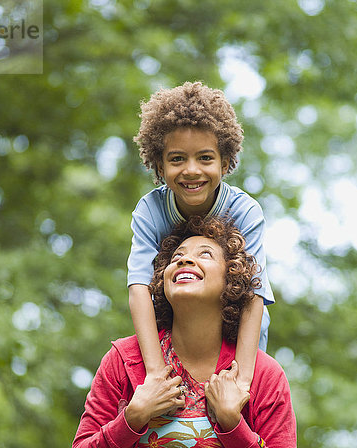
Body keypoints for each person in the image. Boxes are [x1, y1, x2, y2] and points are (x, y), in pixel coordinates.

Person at [73, 217, 296, 448]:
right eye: (177, 257)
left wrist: (232, 423)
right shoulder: (123, 360)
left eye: (205, 254)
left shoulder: (265, 375)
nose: (185, 260)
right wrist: (132, 418)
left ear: (232, 279)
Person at [128, 81, 274, 393]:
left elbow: (254, 295)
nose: (192, 170)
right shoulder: (151, 211)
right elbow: (139, 288)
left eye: (205, 158)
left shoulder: (244, 211)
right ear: (159, 164)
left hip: (237, 337)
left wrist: (243, 380)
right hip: (176, 336)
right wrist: (155, 371)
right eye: (177, 159)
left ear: (225, 162)